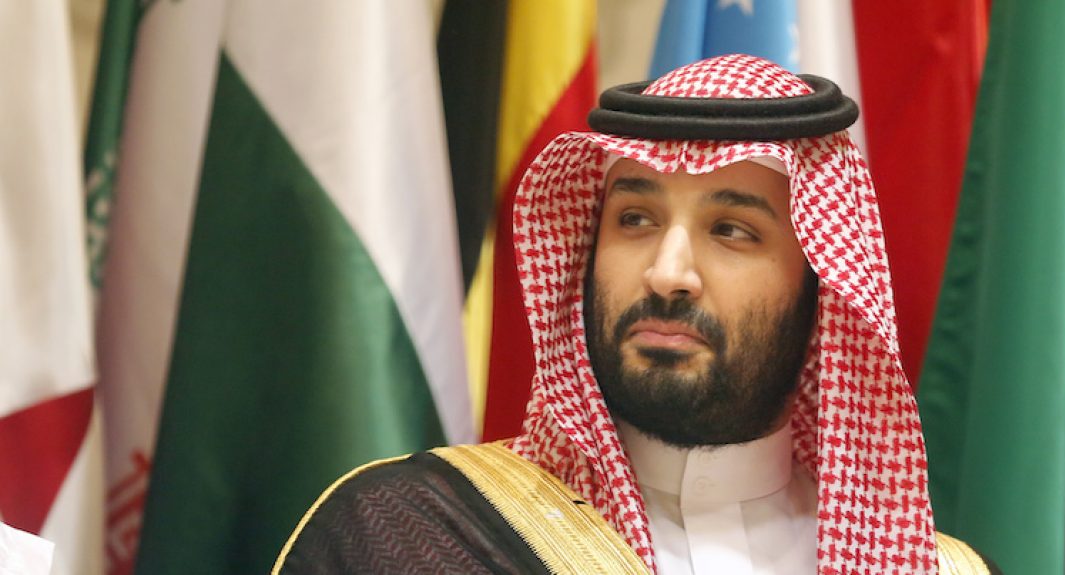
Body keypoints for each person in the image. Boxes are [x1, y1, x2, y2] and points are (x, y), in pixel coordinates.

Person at [272, 55, 998, 574]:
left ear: (821, 290)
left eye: (732, 230)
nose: (667, 272)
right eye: (636, 219)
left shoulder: (940, 568)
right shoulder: (403, 539)